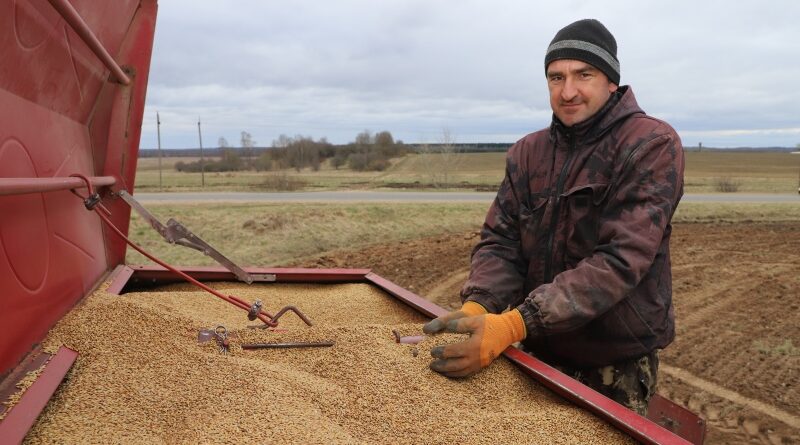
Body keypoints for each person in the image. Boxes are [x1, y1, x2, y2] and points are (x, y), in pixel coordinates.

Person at [423, 18, 684, 416]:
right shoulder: (528, 154)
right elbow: (501, 242)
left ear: (611, 81)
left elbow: (620, 259)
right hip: (536, 351)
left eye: (584, 75)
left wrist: (516, 323)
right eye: (555, 77)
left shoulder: (650, 145)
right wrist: (482, 304)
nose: (567, 91)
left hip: (611, 361)